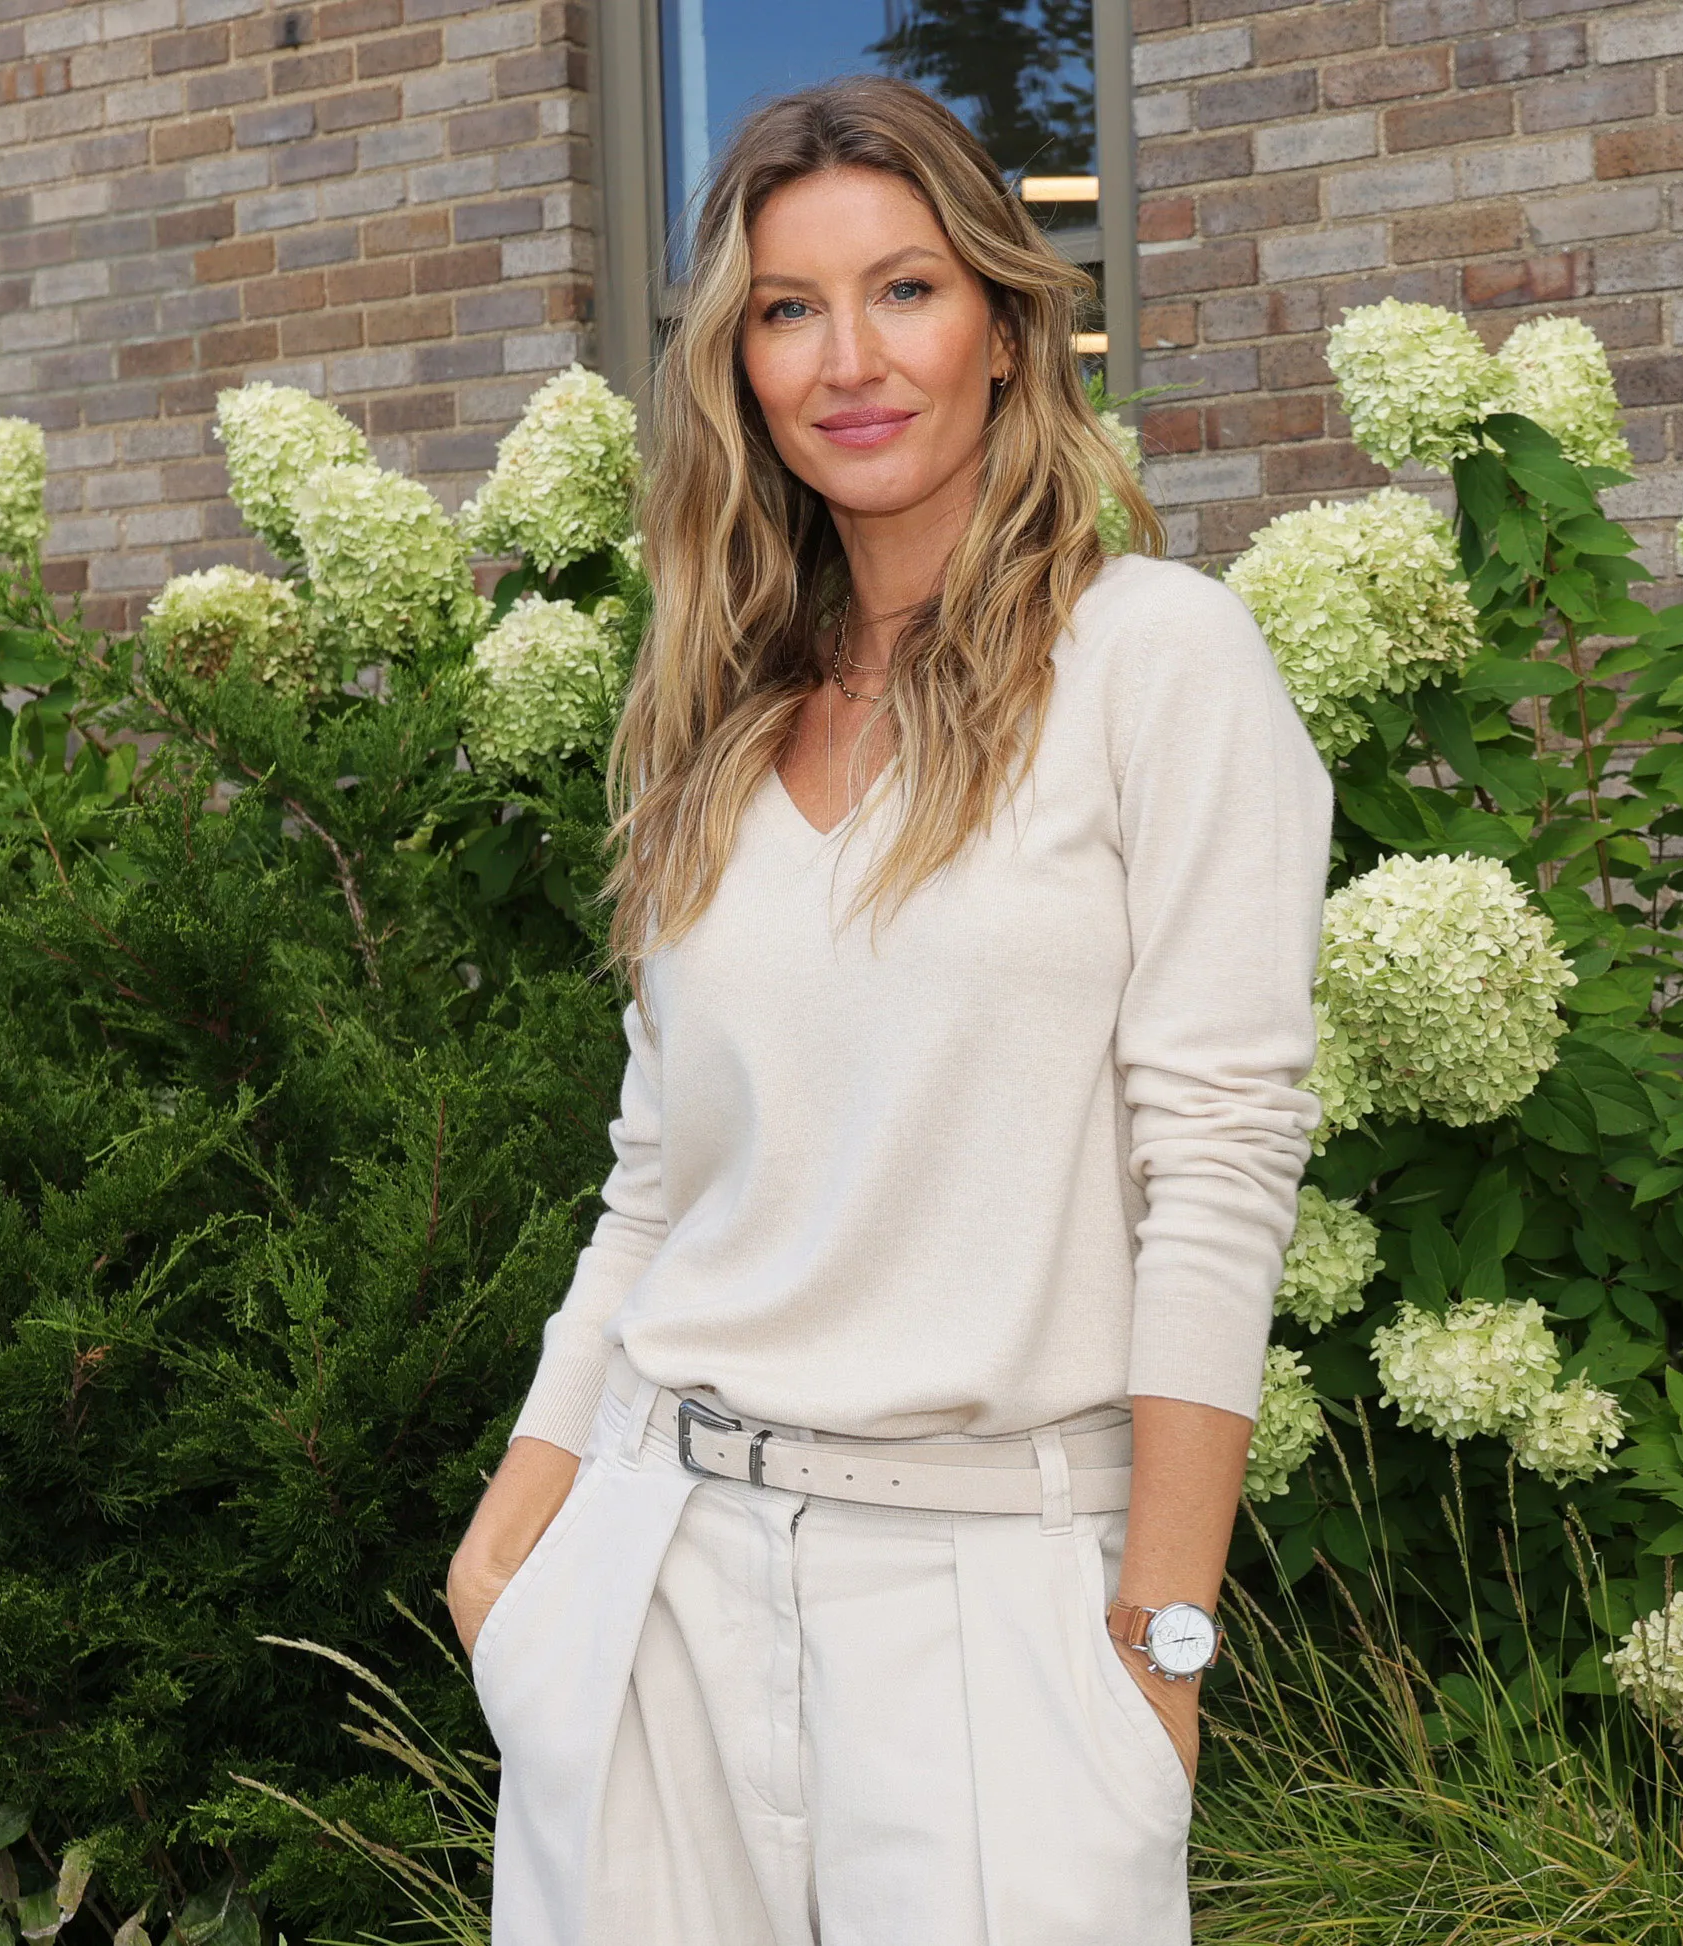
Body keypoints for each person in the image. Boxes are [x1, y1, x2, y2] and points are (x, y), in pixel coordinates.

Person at [437, 71, 1330, 1946]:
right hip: (656, 1571)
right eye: (788, 308)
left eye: (906, 289)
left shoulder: (1153, 659)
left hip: (995, 1588)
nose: (851, 356)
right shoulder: (708, 710)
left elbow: (1223, 1167)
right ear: (737, 366)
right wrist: (515, 1542)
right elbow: (659, 1181)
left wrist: (1162, 1649)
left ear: (1008, 326)